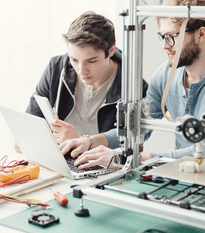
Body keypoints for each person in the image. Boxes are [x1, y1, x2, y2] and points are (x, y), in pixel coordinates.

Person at [64, 0, 205, 169]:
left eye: (171, 37)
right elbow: (140, 128)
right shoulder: (165, 74)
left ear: (201, 34)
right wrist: (90, 141)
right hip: (180, 178)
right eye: (162, 37)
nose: (165, 45)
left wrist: (129, 159)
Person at [23, 11, 148, 152]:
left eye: (91, 61)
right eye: (74, 60)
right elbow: (28, 128)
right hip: (59, 158)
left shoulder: (133, 85)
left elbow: (134, 139)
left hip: (101, 166)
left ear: (111, 50)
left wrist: (81, 140)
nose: (81, 70)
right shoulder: (56, 69)